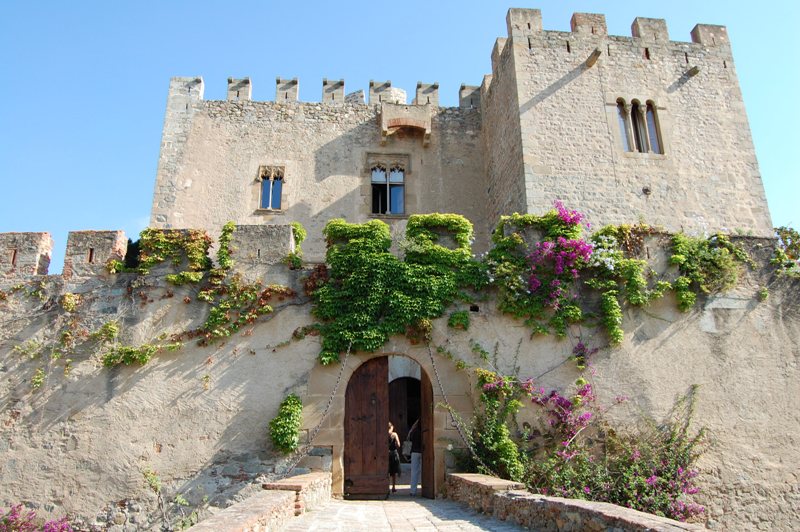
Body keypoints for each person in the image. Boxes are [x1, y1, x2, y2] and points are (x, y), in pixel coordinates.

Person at [407, 419, 422, 496]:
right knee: (425, 472)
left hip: (414, 452)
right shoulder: (424, 431)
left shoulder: (413, 431)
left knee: (414, 472)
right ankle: (425, 490)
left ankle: (413, 491)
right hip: (423, 451)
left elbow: (409, 438)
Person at [387, 422, 401, 493]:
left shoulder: (385, 434)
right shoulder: (394, 434)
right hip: (394, 453)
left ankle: (386, 487)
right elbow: (398, 444)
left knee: (387, 471)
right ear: (391, 427)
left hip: (387, 454)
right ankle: (393, 487)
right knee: (394, 472)